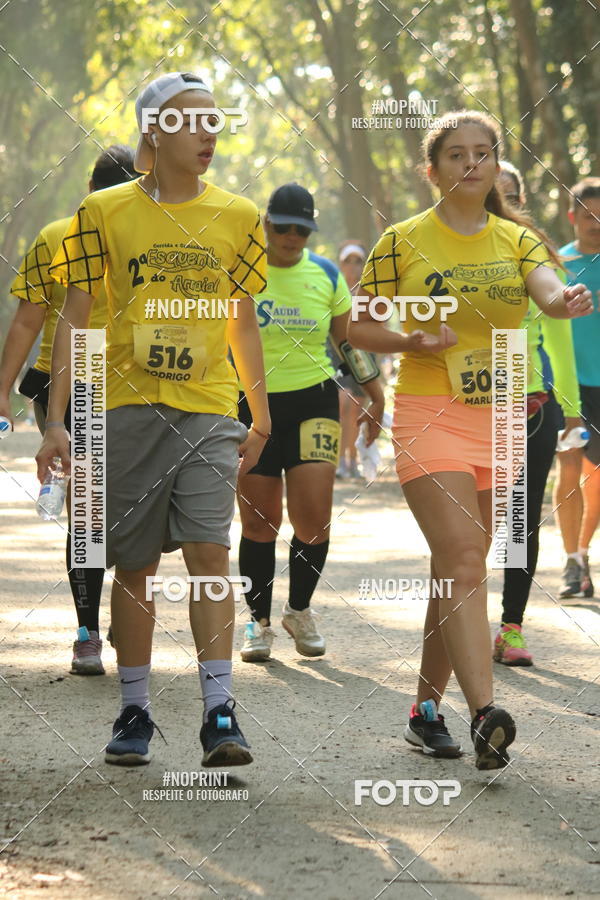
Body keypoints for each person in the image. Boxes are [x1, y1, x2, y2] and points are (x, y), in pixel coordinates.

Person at [35, 72, 270, 767]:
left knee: (210, 555)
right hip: (124, 407)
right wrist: (56, 419)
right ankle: (134, 710)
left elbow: (243, 321)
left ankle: (220, 713)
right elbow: (76, 318)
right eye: (191, 120)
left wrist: (260, 416)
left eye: (215, 121)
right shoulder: (102, 211)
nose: (208, 133)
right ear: (154, 132)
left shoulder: (240, 215)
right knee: (134, 566)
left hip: (209, 409)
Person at [348, 111, 592, 770]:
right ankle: (486, 714)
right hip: (431, 411)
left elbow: (546, 292)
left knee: (457, 569)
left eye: (482, 152)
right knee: (460, 557)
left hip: (503, 412)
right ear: (432, 170)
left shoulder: (518, 240)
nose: (472, 164)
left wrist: (565, 298)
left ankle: (425, 711)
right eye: (457, 154)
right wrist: (408, 340)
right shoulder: (402, 241)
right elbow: (357, 329)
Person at [0, 145, 137, 676]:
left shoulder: (150, 236)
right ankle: (88, 631)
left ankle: (118, 617)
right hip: (70, 382)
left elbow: (24, 322)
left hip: (134, 384)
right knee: (92, 507)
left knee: (118, 507)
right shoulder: (59, 237)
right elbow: (30, 321)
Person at [237, 184, 384, 662]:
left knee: (314, 518)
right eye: (282, 227)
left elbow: (348, 341)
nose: (291, 237)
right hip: (251, 405)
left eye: (302, 230)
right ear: (266, 223)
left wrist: (376, 392)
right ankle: (258, 622)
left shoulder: (325, 273)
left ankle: (299, 610)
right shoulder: (241, 272)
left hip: (314, 401)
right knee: (260, 522)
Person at [495, 161, 583, 666]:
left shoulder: (538, 256)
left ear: (520, 201)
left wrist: (570, 409)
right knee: (472, 521)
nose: (498, 202)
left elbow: (559, 338)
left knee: (519, 516)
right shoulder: (444, 247)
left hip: (527, 400)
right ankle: (458, 621)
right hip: (462, 403)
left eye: (508, 195)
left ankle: (511, 627)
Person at [554, 177, 600, 599]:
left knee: (596, 478)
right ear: (572, 216)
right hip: (570, 387)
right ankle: (572, 561)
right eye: (588, 214)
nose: (595, 223)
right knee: (569, 467)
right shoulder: (557, 265)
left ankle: (583, 553)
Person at [333, 240, 371, 479]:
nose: (353, 266)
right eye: (348, 260)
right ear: (341, 263)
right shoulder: (333, 288)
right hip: (337, 357)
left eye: (358, 261)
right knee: (342, 403)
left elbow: (379, 326)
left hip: (364, 356)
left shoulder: (370, 291)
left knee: (356, 409)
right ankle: (338, 461)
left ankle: (353, 461)